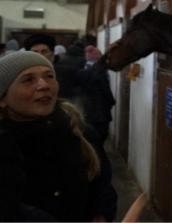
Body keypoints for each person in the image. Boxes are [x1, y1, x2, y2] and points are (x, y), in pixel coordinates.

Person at [0, 51, 117, 221]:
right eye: (28, 80)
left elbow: (102, 187)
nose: (44, 85)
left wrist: (101, 214)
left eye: (49, 76)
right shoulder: (5, 143)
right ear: (2, 98)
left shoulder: (81, 133)